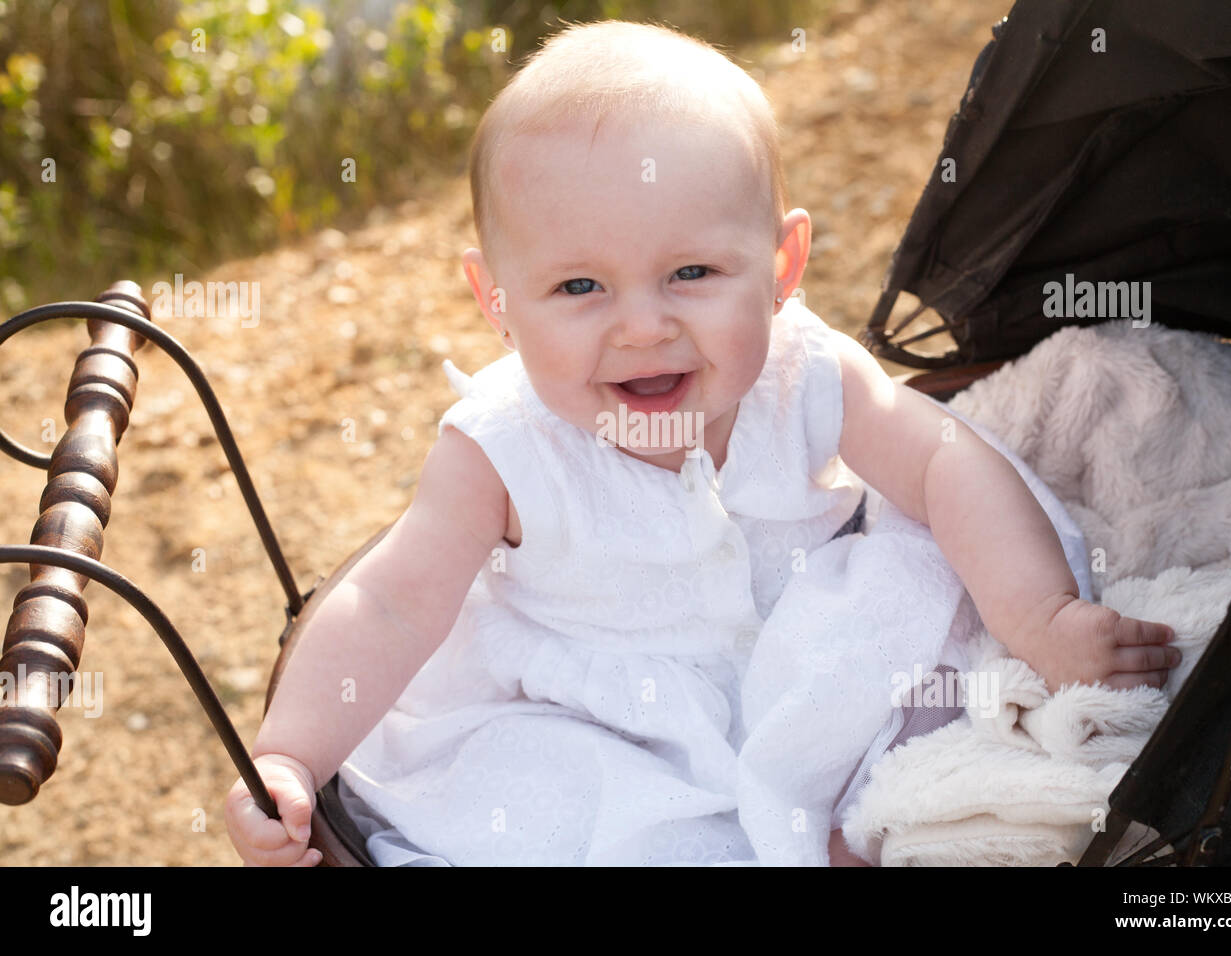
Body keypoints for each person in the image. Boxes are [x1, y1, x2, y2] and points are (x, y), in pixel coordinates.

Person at [225, 20, 1179, 866]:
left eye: (690, 271)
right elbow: (388, 606)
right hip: (603, 712)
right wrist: (288, 755)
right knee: (572, 810)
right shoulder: (500, 451)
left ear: (780, 266)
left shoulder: (805, 370)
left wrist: (1039, 616)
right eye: (579, 289)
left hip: (802, 651)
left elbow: (941, 461)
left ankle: (858, 816)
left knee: (929, 607)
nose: (643, 327)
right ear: (497, 302)